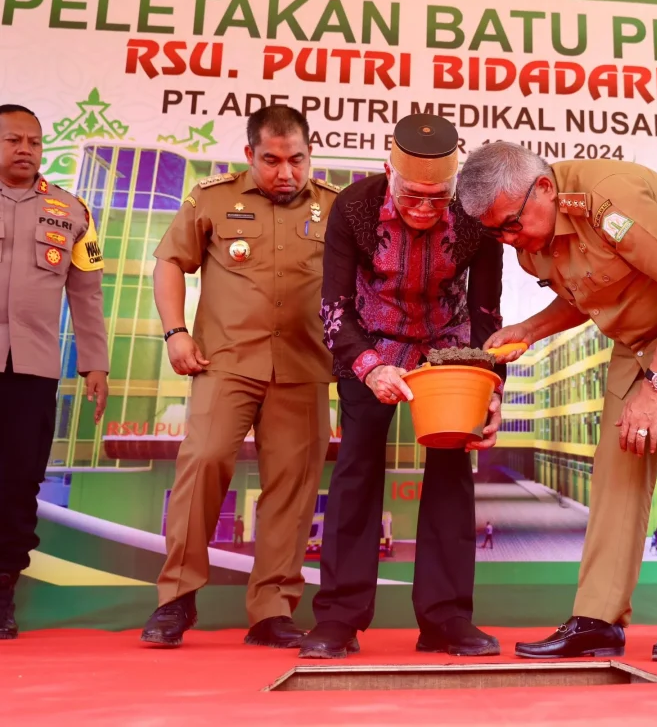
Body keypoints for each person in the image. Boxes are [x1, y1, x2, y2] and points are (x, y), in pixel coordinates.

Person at [459, 142, 657, 662]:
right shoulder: (531, 236)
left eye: (511, 224)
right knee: (618, 458)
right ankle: (597, 617)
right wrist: (529, 330)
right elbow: (582, 294)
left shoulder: (606, 199)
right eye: (496, 233)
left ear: (545, 188)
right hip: (640, 329)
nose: (508, 241)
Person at [298, 114, 505, 660]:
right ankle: (339, 619)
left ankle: (446, 619)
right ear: (390, 172)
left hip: (448, 351)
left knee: (451, 478)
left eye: (438, 199)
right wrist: (368, 366)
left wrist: (491, 386)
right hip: (372, 346)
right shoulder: (355, 207)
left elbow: (486, 314)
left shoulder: (475, 217)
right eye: (413, 195)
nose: (423, 209)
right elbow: (334, 308)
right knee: (356, 473)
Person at [140, 105, 340, 649]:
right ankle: (175, 600)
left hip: (303, 368)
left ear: (308, 154)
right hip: (224, 362)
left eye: (296, 159)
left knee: (293, 491)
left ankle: (271, 610)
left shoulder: (335, 208)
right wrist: (175, 332)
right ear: (250, 155)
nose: (286, 173)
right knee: (201, 465)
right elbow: (169, 262)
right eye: (272, 160)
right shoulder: (212, 198)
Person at [0, 105, 109, 640]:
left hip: (33, 372)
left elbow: (87, 294)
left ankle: (2, 593)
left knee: (19, 480)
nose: (25, 148)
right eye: (13, 139)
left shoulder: (72, 212)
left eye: (34, 141)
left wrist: (95, 363)